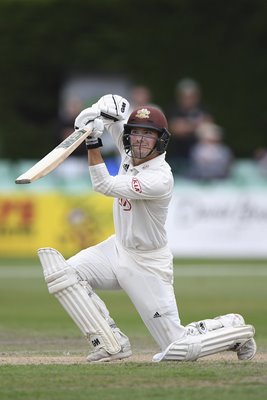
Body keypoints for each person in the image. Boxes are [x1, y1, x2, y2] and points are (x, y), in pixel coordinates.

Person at [38, 94, 256, 363]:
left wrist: (92, 140)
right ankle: (111, 343)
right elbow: (118, 109)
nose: (140, 140)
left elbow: (103, 185)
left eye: (148, 135)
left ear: (160, 140)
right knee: (62, 274)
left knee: (177, 349)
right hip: (117, 249)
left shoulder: (159, 178)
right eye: (136, 134)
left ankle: (234, 328)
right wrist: (93, 115)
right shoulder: (130, 152)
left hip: (147, 264)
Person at [167, 78, 213, 175]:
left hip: (199, 155)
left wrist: (185, 125)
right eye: (185, 96)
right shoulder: (173, 110)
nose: (189, 99)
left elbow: (209, 129)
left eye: (192, 96)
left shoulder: (203, 108)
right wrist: (196, 125)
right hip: (177, 155)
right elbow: (175, 129)